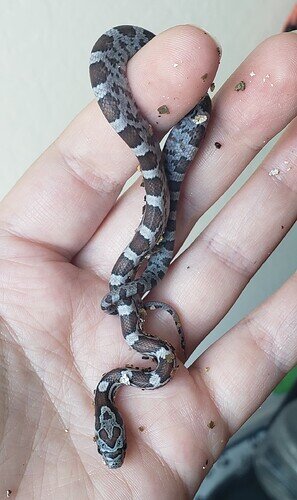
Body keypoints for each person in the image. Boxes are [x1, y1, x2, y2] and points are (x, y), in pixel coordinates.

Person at [0, 24, 296, 499]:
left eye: (109, 446)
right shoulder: (140, 368)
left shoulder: (136, 366)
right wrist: (126, 305)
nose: (115, 448)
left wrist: (126, 302)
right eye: (115, 446)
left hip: (136, 300)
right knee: (169, 189)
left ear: (105, 425)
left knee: (168, 184)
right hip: (137, 309)